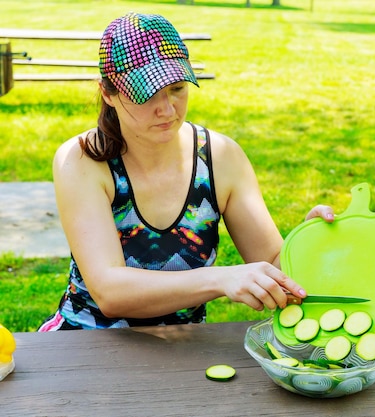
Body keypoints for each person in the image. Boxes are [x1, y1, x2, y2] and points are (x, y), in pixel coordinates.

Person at [39, 12, 334, 331]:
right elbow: (110, 292)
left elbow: (276, 269)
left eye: (177, 88)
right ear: (108, 93)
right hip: (87, 344)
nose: (167, 109)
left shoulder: (220, 157)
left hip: (185, 349)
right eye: (146, 94)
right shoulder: (82, 159)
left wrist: (310, 243)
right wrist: (222, 278)